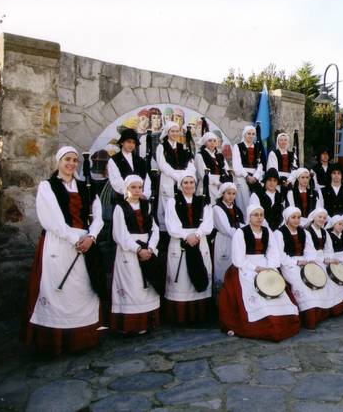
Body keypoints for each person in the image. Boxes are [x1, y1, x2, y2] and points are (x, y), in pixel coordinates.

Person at [21, 146, 104, 355]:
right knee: (60, 290)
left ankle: (83, 338)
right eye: (67, 159)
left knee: (82, 289)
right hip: (60, 244)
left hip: (85, 243)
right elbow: (52, 220)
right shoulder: (47, 187)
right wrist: (74, 238)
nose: (71, 164)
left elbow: (98, 216)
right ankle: (57, 340)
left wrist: (91, 237)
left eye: (75, 160)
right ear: (58, 162)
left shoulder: (86, 186)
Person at [218, 204, 300, 341]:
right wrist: (256, 268)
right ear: (249, 217)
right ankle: (263, 320)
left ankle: (280, 317)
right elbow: (238, 258)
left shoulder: (267, 231)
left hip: (266, 264)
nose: (259, 217)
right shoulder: (241, 232)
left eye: (261, 215)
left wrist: (271, 266)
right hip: (246, 266)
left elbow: (273, 253)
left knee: (273, 283)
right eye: (255, 215)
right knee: (253, 283)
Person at [110, 175, 161, 335]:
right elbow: (119, 233)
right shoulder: (120, 207)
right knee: (132, 286)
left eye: (140, 187)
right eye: (133, 187)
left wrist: (150, 249)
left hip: (148, 248)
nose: (137, 190)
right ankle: (130, 325)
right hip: (129, 251)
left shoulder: (147, 205)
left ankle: (147, 322)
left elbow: (155, 229)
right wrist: (137, 249)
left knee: (146, 287)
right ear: (126, 189)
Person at [275, 207, 338, 329]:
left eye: (298, 217)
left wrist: (308, 261)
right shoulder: (279, 233)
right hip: (289, 264)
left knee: (315, 278)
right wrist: (297, 262)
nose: (296, 220)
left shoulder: (305, 232)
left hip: (305, 261)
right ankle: (308, 317)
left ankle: (319, 314)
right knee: (301, 282)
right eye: (293, 217)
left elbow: (310, 251)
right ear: (287, 219)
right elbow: (280, 255)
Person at [164, 172, 214, 325]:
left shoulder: (203, 201)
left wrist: (196, 234)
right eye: (185, 182)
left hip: (199, 241)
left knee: (200, 272)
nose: (189, 185)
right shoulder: (172, 202)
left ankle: (200, 316)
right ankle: (182, 317)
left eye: (192, 182)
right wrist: (187, 236)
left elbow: (208, 224)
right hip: (180, 244)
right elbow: (171, 225)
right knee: (183, 279)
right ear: (180, 185)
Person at [306, 208, 343, 314]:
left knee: (336, 272)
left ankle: (341, 306)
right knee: (325, 276)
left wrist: (330, 259)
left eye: (324, 218)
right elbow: (309, 251)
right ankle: (325, 308)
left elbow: (329, 249)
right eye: (320, 217)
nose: (322, 219)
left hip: (325, 257)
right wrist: (324, 260)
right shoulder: (307, 231)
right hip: (313, 258)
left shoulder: (324, 232)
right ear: (314, 217)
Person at [156, 121, 194, 231]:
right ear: (167, 132)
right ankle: (166, 231)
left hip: (183, 180)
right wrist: (177, 176)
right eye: (172, 131)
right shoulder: (161, 147)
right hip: (168, 179)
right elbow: (162, 165)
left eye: (177, 131)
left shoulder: (183, 147)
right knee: (167, 204)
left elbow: (191, 163)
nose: (175, 133)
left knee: (181, 204)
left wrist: (186, 175)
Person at [213, 182, 244, 290]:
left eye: (234, 194)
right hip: (223, 240)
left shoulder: (236, 209)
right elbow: (225, 229)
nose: (231, 196)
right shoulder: (217, 208)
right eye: (228, 193)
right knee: (223, 267)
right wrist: (242, 234)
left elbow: (242, 224)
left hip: (235, 241)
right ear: (223, 193)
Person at [107, 128, 152, 203]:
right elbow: (116, 181)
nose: (131, 145)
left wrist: (144, 194)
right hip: (122, 199)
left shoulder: (141, 160)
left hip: (140, 199)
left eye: (133, 142)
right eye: (128, 142)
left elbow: (146, 179)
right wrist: (129, 193)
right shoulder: (114, 160)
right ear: (122, 143)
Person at [319, 163, 343, 249]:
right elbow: (320, 208)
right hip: (327, 224)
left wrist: (341, 221)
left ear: (342, 175)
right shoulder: (322, 190)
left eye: (339, 173)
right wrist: (332, 221)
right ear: (330, 174)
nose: (336, 175)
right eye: (334, 173)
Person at [232, 125, 264, 216]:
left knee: (256, 199)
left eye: (253, 134)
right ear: (244, 135)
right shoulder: (238, 146)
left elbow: (260, 164)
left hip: (255, 177)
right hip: (242, 176)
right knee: (244, 200)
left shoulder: (258, 147)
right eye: (249, 134)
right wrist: (246, 176)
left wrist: (256, 177)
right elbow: (237, 165)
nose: (251, 136)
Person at [195, 131, 230, 203]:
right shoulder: (200, 155)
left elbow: (226, 169)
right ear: (205, 142)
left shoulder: (220, 156)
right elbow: (203, 173)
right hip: (207, 185)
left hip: (221, 185)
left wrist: (225, 182)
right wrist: (218, 183)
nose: (212, 143)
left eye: (214, 141)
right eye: (209, 141)